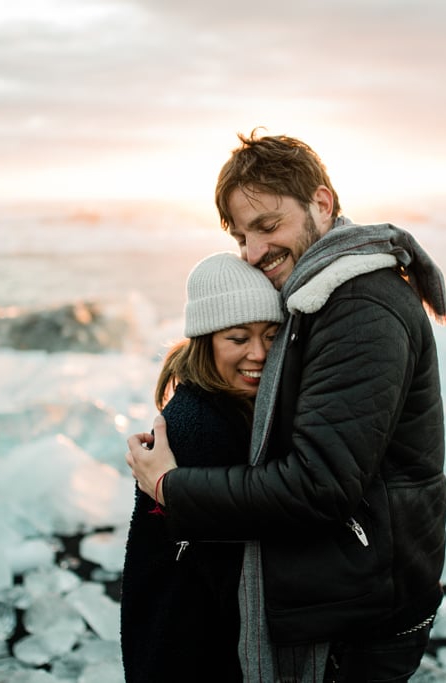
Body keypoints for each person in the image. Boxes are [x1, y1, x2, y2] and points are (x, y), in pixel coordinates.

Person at [126, 130, 446, 683]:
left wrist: (169, 489)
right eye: (241, 235)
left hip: (362, 606)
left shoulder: (360, 306)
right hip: (355, 585)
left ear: (321, 204)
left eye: (268, 225)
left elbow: (318, 483)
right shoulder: (320, 294)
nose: (254, 252)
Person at [120, 251, 284, 683]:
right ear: (205, 339)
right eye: (238, 338)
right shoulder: (197, 427)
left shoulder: (232, 407)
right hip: (187, 644)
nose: (259, 353)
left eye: (272, 335)